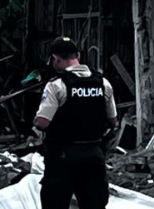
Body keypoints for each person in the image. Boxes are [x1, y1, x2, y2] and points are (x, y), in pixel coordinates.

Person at [33, 37, 118, 209]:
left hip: (63, 156)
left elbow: (42, 122)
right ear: (77, 55)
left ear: (55, 59)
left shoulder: (56, 85)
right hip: (94, 154)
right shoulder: (103, 83)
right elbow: (113, 120)